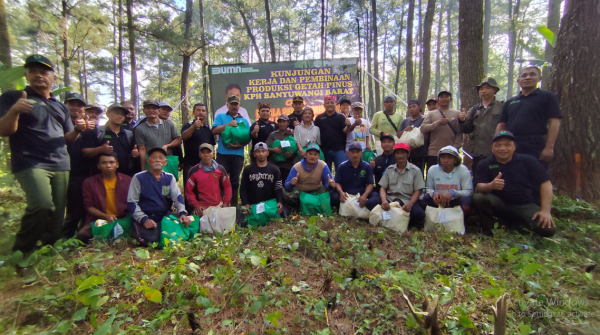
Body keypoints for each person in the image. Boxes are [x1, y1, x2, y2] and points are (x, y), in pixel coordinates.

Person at [0, 55, 88, 256]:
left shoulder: (59, 107)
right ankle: (22, 252)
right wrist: (14, 111)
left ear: (54, 78)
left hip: (60, 163)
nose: (38, 75)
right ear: (26, 75)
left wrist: (78, 130)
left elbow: (68, 137)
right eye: (33, 71)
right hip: (30, 161)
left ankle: (50, 251)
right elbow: (4, 130)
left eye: (44, 71)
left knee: (57, 213)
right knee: (41, 205)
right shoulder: (14, 97)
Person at [473, 131, 556, 237]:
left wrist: (545, 210)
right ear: (492, 148)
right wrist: (491, 186)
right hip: (499, 204)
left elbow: (546, 184)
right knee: (479, 198)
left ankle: (517, 223)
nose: (503, 148)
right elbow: (479, 186)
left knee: (548, 230)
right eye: (498, 145)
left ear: (514, 147)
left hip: (524, 204)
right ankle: (489, 230)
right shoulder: (484, 164)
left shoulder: (528, 161)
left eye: (507, 144)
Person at [496, 66, 561, 169]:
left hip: (535, 144)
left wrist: (549, 147)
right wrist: (498, 145)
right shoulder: (510, 102)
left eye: (532, 74)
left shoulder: (547, 97)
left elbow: (554, 122)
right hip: (512, 144)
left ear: (540, 78)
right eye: (524, 76)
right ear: (518, 81)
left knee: (535, 175)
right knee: (512, 174)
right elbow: (502, 125)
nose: (528, 77)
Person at [127, 147, 190, 246]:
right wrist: (144, 219)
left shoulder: (169, 177)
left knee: (192, 222)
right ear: (148, 161)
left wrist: (182, 213)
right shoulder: (138, 177)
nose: (157, 160)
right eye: (154, 157)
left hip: (164, 217)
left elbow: (177, 198)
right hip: (147, 218)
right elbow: (131, 203)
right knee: (154, 240)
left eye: (160, 158)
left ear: (165, 162)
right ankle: (136, 230)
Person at [63, 93, 99, 238]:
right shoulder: (61, 124)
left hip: (87, 172)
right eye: (72, 104)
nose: (76, 108)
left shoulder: (89, 128)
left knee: (87, 206)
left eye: (79, 105)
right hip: (70, 172)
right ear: (65, 106)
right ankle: (66, 237)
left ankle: (82, 235)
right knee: (74, 207)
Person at [79, 152, 132, 243]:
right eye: (104, 163)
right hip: (99, 219)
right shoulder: (89, 182)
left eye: (111, 162)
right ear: (98, 166)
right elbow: (89, 206)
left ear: (117, 165)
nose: (108, 165)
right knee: (82, 234)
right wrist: (106, 216)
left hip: (123, 219)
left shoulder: (128, 180)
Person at [459, 77, 504, 176]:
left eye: (487, 88)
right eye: (481, 89)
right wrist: (462, 121)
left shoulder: (502, 106)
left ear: (495, 90)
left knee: (498, 178)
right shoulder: (474, 109)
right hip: (478, 153)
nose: (484, 91)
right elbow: (467, 129)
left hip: (496, 152)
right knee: (479, 180)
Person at [211, 95, 251, 208]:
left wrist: (241, 145)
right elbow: (214, 131)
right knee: (220, 180)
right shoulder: (220, 116)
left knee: (234, 181)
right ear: (227, 104)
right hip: (223, 154)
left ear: (239, 105)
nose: (234, 106)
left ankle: (234, 207)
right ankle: (219, 205)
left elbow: (247, 138)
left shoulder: (244, 120)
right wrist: (228, 125)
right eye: (232, 104)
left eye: (236, 104)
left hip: (238, 155)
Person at [376, 143, 425, 228]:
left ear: (408, 154)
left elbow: (418, 191)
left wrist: (410, 204)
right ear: (394, 155)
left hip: (406, 200)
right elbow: (382, 188)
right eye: (397, 153)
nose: (400, 156)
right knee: (371, 202)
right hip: (390, 199)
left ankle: (403, 221)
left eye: (403, 153)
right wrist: (384, 200)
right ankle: (395, 218)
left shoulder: (415, 171)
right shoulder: (390, 169)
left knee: (419, 214)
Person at [82, 103, 139, 177]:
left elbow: (134, 153)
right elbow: (85, 152)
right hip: (101, 177)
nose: (120, 116)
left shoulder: (129, 134)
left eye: (122, 114)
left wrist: (136, 154)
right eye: (116, 113)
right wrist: (100, 149)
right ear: (108, 114)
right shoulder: (97, 131)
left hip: (124, 177)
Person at [240, 142, 287, 220]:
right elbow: (243, 188)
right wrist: (246, 204)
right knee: (242, 222)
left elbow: (278, 188)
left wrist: (280, 201)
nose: (261, 154)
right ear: (254, 154)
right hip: (253, 204)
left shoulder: (274, 169)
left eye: (263, 151)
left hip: (269, 204)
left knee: (285, 214)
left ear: (267, 153)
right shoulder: (248, 169)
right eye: (258, 151)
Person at [421, 91, 462, 172]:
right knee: (432, 176)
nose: (444, 99)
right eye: (441, 97)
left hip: (451, 152)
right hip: (434, 152)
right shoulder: (431, 114)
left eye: (446, 97)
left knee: (450, 176)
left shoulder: (457, 113)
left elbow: (460, 132)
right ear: (438, 100)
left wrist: (456, 147)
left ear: (451, 99)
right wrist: (438, 123)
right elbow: (423, 128)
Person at [185, 143, 232, 215]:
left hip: (218, 207)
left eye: (208, 152)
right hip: (201, 209)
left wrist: (226, 203)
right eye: (203, 152)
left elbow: (227, 187)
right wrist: (196, 205)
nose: (206, 155)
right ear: (199, 155)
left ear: (213, 154)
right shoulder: (194, 171)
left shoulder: (220, 169)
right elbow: (188, 191)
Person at [134, 99, 182, 170]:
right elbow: (142, 149)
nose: (151, 110)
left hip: (168, 160)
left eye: (154, 108)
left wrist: (168, 146)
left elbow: (179, 140)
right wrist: (143, 169)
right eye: (148, 108)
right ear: (144, 110)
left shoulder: (169, 124)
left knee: (170, 180)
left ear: (158, 110)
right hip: (151, 162)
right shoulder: (139, 128)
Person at [424, 146, 473, 213]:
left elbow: (469, 191)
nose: (446, 161)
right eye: (443, 157)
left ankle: (462, 220)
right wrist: (434, 193)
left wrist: (453, 193)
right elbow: (428, 189)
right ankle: (429, 219)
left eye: (450, 158)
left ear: (455, 160)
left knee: (466, 200)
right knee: (425, 198)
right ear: (439, 159)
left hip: (455, 200)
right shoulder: (433, 169)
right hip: (438, 201)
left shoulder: (463, 169)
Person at [331, 142, 377, 210]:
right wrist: (341, 192)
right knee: (334, 198)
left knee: (375, 198)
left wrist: (365, 195)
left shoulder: (367, 167)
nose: (355, 154)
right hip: (346, 192)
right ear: (349, 153)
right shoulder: (342, 166)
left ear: (361, 153)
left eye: (357, 152)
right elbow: (337, 182)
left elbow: (370, 184)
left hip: (361, 192)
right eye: (352, 152)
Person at [314, 96, 352, 171]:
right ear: (324, 105)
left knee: (342, 171)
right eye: (327, 103)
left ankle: (340, 183)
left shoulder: (341, 117)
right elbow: (314, 131)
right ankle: (327, 183)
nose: (330, 104)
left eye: (332, 102)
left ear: (335, 104)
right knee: (325, 173)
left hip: (339, 149)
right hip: (324, 150)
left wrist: (348, 126)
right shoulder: (319, 118)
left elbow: (345, 131)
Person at [181, 103, 216, 181]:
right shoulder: (188, 126)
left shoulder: (208, 129)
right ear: (193, 112)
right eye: (198, 110)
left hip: (206, 165)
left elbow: (212, 147)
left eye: (203, 110)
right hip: (190, 164)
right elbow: (184, 137)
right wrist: (194, 127)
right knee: (189, 190)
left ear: (206, 113)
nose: (201, 112)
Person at [398, 99, 427, 173]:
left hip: (420, 153)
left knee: (418, 173)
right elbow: (398, 135)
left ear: (419, 107)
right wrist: (405, 130)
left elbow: (426, 135)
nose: (412, 109)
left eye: (414, 106)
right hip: (407, 154)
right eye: (410, 107)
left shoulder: (424, 119)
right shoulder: (405, 121)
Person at [266, 114, 297, 181]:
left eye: (284, 122)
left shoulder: (292, 134)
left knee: (286, 186)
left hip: (287, 166)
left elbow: (297, 147)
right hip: (274, 166)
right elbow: (265, 148)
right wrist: (273, 150)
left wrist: (292, 154)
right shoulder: (273, 134)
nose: (282, 124)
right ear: (278, 123)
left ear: (288, 123)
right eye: (280, 122)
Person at [370, 133, 396, 198]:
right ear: (381, 145)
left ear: (394, 144)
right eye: (384, 142)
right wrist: (372, 167)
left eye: (389, 142)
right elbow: (371, 175)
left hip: (395, 191)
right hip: (379, 190)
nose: (386, 144)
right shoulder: (377, 159)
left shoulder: (398, 158)